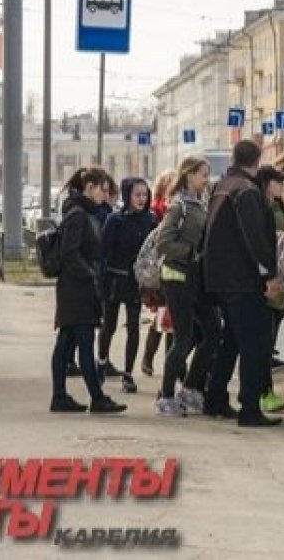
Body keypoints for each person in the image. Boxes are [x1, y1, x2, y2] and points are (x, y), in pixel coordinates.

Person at [202, 140, 284, 427]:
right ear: (257, 160)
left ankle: (214, 398)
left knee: (232, 340)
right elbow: (256, 240)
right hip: (242, 279)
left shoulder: (222, 186)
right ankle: (250, 408)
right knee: (255, 342)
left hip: (220, 278)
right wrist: (270, 276)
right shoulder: (247, 191)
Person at [49, 167, 126, 415]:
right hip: (78, 289)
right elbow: (69, 253)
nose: (105, 195)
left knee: (66, 342)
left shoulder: (81, 211)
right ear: (89, 187)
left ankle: (61, 396)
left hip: (75, 287)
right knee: (83, 342)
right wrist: (91, 275)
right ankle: (96, 397)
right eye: (102, 190)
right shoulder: (79, 215)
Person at [153, 156, 216, 417]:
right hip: (177, 278)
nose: (207, 179)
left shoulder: (199, 204)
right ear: (189, 175)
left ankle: (190, 388)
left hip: (195, 279)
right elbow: (163, 243)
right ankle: (166, 396)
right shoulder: (179, 206)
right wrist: (191, 253)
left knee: (213, 332)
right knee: (183, 338)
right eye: (203, 174)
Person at [98, 177, 156, 394]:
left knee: (134, 327)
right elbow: (103, 252)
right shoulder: (115, 220)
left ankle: (128, 374)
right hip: (114, 278)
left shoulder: (150, 219)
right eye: (137, 194)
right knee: (109, 325)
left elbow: (154, 249)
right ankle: (102, 361)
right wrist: (101, 280)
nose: (141, 199)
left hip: (135, 281)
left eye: (144, 194)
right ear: (127, 195)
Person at [256, 165, 284, 413]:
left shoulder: (280, 206)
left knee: (269, 342)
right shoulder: (261, 207)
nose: (282, 185)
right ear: (267, 183)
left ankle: (266, 390)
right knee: (263, 344)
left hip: (280, 282)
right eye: (278, 182)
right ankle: (263, 392)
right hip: (267, 283)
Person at [140, 169, 177, 376]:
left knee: (171, 319)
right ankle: (148, 356)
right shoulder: (156, 212)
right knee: (161, 317)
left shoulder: (176, 209)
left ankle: (168, 363)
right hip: (159, 272)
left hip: (173, 270)